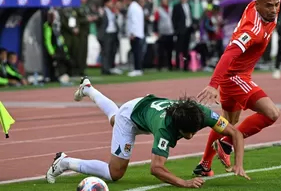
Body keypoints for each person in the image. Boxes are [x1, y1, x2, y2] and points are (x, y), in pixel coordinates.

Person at [192, 0, 281, 177]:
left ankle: (204, 164)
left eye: (276, 5)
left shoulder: (271, 0)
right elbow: (228, 55)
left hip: (238, 76)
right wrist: (213, 85)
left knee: (228, 121)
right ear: (257, 4)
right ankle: (227, 143)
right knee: (271, 113)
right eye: (269, 6)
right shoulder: (251, 30)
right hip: (235, 76)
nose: (274, 9)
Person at [46, 77, 249, 188]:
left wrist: (239, 164)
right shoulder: (164, 129)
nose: (190, 137)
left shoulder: (202, 113)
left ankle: (89, 88)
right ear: (176, 127)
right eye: (186, 133)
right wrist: (183, 182)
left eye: (193, 131)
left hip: (145, 106)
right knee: (115, 173)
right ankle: (64, 162)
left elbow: (236, 133)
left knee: (113, 117)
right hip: (132, 117)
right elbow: (156, 168)